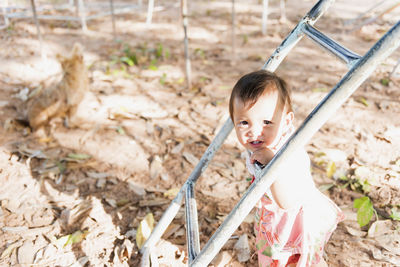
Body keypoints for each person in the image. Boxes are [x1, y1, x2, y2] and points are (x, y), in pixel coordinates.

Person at [229, 70, 344, 267]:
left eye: (266, 122)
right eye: (244, 122)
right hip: (275, 222)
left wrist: (272, 164)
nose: (255, 131)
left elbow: (286, 201)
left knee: (300, 261)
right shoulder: (263, 145)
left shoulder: (291, 154)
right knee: (275, 260)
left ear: (287, 121)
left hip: (296, 226)